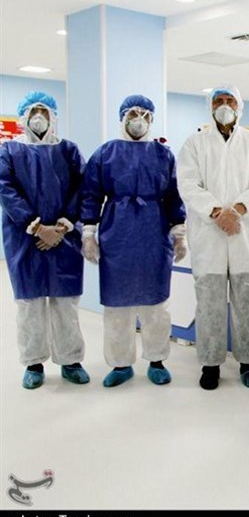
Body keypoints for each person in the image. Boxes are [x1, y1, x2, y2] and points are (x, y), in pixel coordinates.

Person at [80, 95, 186, 387]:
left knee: (156, 303)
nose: (139, 120)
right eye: (132, 114)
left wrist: (179, 234)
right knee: (118, 304)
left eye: (145, 115)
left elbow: (174, 195)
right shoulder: (106, 153)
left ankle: (157, 359)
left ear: (152, 119)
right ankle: (120, 363)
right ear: (122, 118)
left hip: (154, 232)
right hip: (117, 232)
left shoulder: (163, 155)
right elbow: (91, 194)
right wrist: (88, 233)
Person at [177, 85, 249, 390]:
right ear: (210, 106)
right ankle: (210, 364)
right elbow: (188, 185)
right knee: (209, 304)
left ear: (240, 106)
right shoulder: (195, 144)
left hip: (245, 235)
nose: (225, 105)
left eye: (230, 100)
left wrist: (238, 210)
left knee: (247, 302)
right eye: (219, 100)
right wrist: (218, 212)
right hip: (210, 236)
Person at [0, 91, 89, 389]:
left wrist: (61, 227)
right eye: (33, 112)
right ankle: (34, 363)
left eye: (45, 112)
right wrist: (37, 227)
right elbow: (6, 190)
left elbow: (81, 189)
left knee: (65, 303)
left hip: (65, 237)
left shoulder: (69, 150)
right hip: (25, 238)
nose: (39, 117)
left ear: (53, 116)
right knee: (31, 303)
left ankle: (71, 360)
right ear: (23, 117)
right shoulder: (9, 151)